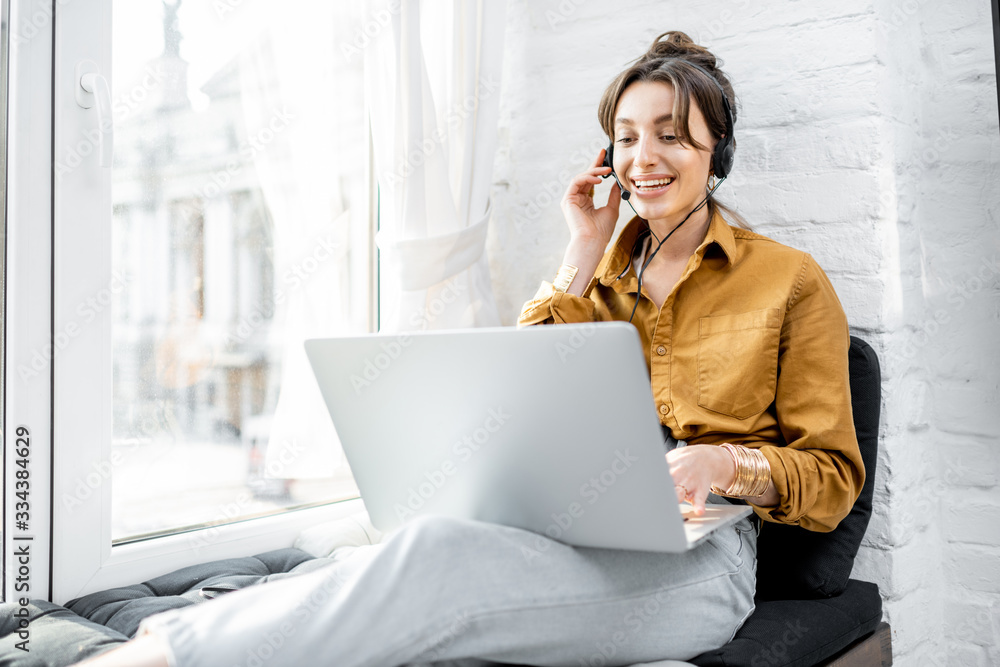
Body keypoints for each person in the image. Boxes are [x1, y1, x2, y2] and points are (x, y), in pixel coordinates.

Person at [80, 30, 864, 667]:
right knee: (423, 544)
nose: (642, 157)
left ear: (715, 147)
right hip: (571, 529)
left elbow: (832, 479)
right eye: (625, 138)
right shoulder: (597, 276)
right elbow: (516, 404)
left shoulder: (788, 281)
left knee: (434, 568)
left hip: (704, 567)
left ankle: (159, 655)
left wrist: (723, 463)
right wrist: (581, 250)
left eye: (669, 135)